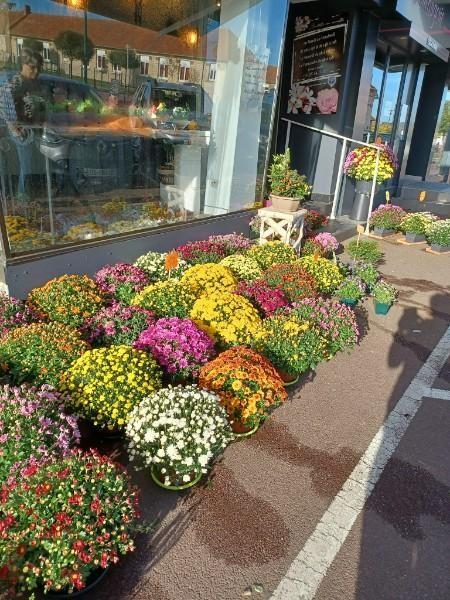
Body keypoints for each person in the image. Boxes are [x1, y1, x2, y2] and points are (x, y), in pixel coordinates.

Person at [0, 48, 47, 197]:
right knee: (26, 166)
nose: (36, 71)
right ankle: (22, 197)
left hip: (31, 130)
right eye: (32, 67)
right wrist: (14, 126)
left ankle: (25, 194)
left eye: (38, 68)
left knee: (29, 165)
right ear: (23, 65)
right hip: (22, 133)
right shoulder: (17, 82)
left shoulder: (32, 83)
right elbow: (3, 99)